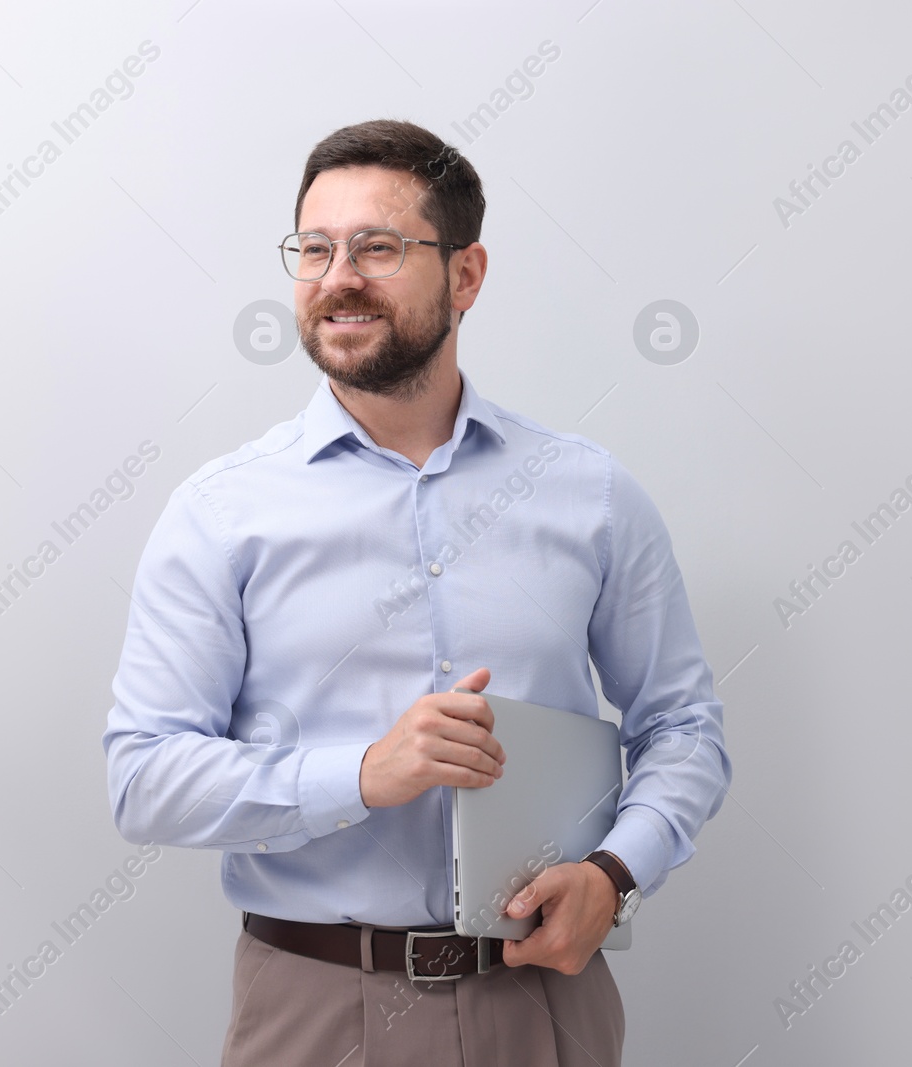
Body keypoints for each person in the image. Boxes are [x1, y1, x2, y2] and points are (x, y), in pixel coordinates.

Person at [102, 118, 731, 1067]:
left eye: (378, 247)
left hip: (543, 1002)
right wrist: (362, 773)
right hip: (313, 1008)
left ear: (467, 275)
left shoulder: (591, 494)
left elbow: (684, 726)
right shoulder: (222, 512)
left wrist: (616, 871)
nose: (337, 276)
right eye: (315, 249)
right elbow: (145, 778)